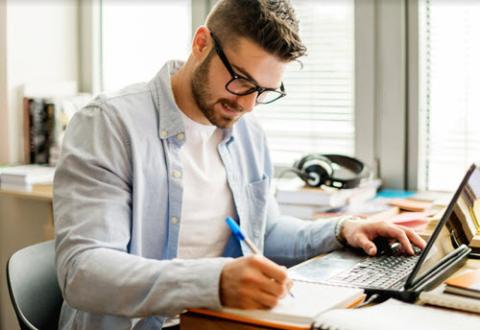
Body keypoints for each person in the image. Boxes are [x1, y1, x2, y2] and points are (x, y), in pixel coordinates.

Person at [53, 0, 426, 329]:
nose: (248, 106)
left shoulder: (247, 135)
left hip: (220, 321)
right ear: (201, 44)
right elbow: (83, 272)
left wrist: (343, 230)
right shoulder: (108, 123)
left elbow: (264, 232)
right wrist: (213, 282)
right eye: (241, 81)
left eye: (264, 92)